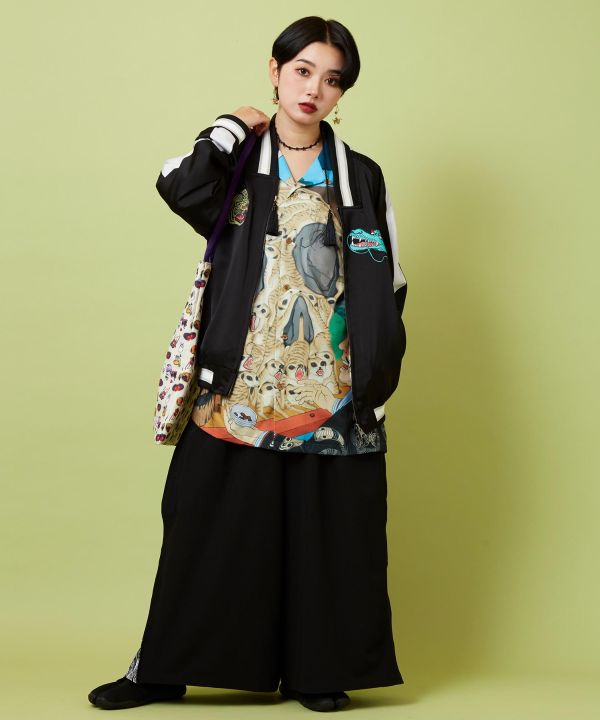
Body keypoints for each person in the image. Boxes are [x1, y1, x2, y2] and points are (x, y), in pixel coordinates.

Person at [88, 15, 408, 714]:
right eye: (302, 71)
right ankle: (161, 670)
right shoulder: (239, 161)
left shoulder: (360, 174)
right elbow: (179, 187)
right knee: (205, 526)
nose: (314, 89)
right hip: (237, 383)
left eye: (332, 80)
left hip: (332, 388)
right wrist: (231, 125)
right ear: (275, 71)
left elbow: (389, 278)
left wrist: (377, 374)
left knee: (327, 534)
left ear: (341, 92)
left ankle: (317, 673)